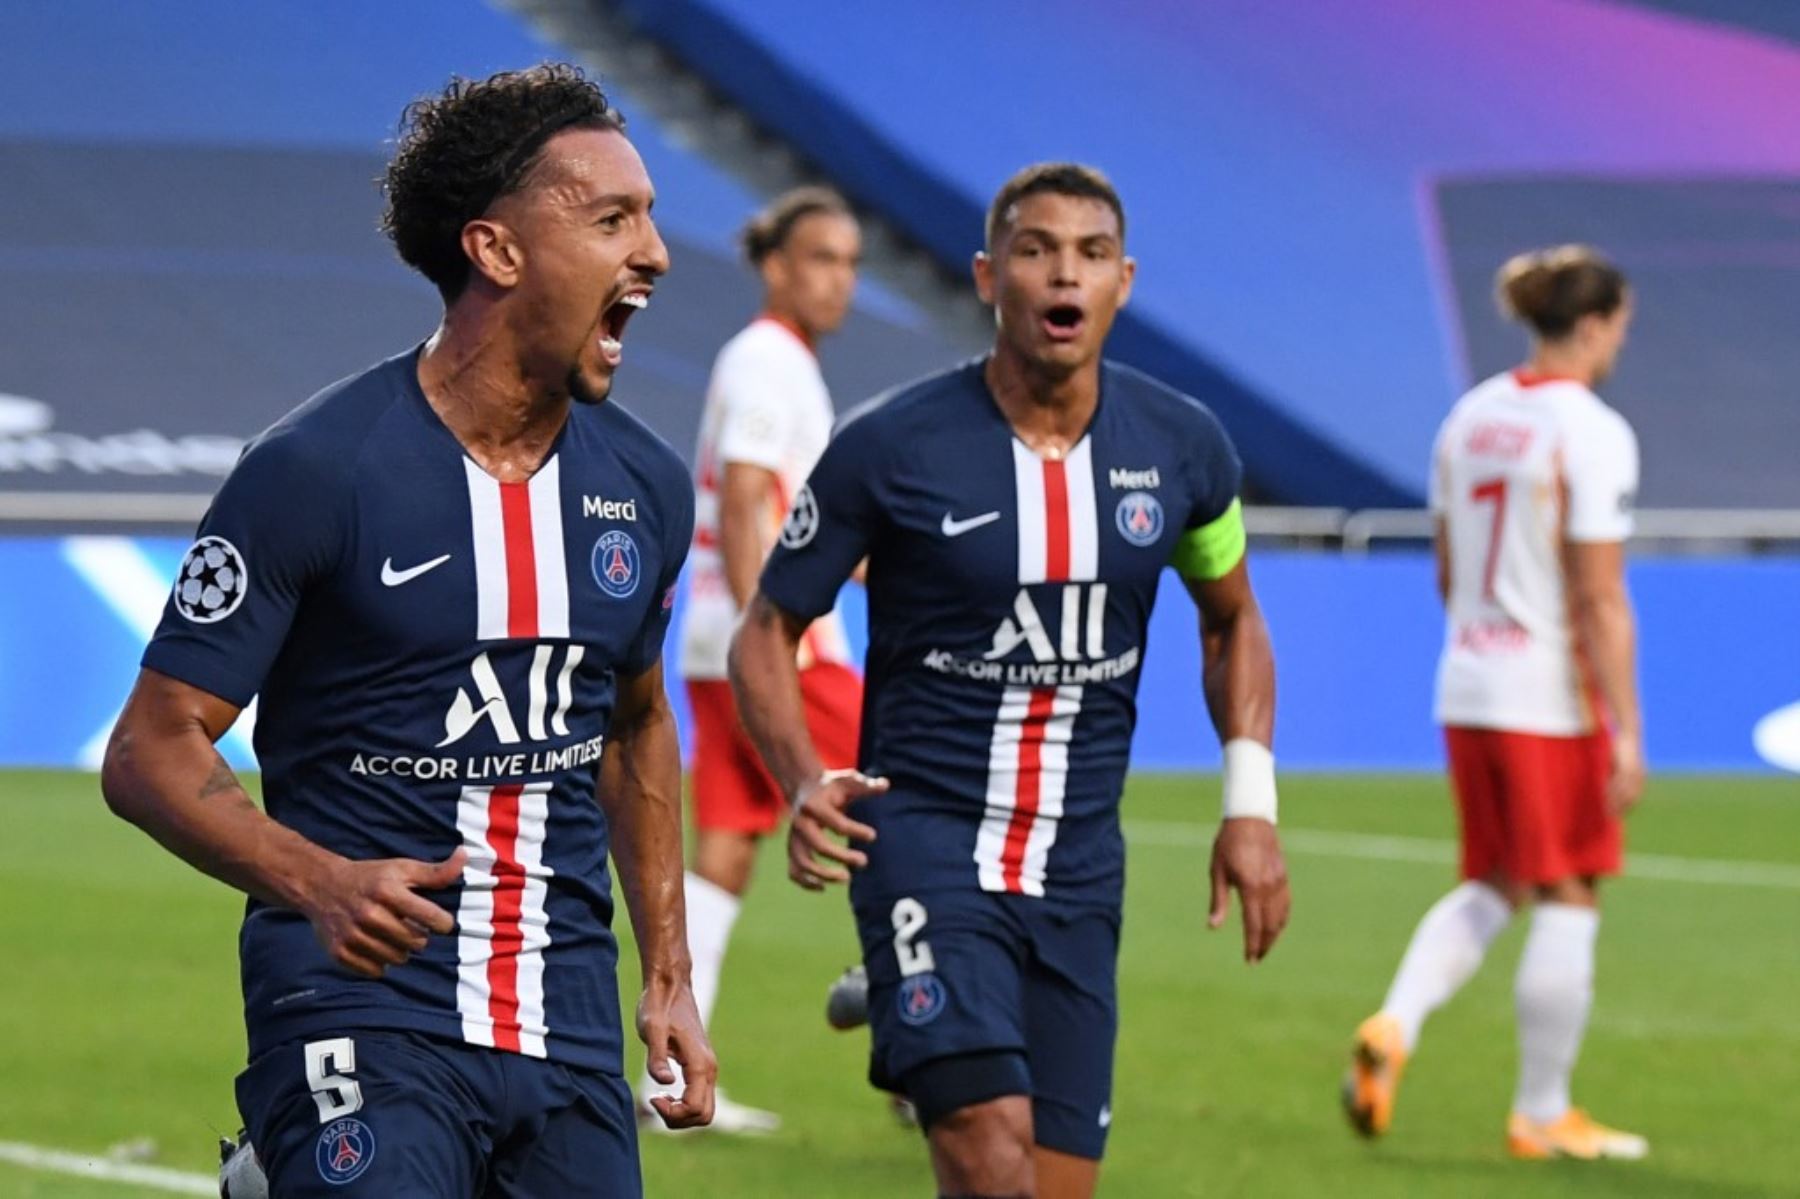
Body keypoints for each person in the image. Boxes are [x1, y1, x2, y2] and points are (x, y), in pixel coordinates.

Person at [99, 65, 715, 1198]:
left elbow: (632, 727)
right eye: (613, 219)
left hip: (565, 1016)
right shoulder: (316, 471)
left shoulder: (645, 486)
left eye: (653, 219)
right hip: (357, 1001)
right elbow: (151, 747)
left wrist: (669, 973)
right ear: (497, 249)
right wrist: (319, 878)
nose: (656, 255)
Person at [729, 162, 1291, 1199]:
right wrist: (803, 774)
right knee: (991, 1158)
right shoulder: (892, 447)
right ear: (991, 276)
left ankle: (906, 1006)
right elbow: (765, 628)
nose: (1060, 274)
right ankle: (918, 986)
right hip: (927, 837)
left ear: (1122, 280)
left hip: (1080, 866)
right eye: (1034, 250)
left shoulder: (1185, 450)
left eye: (1087, 254)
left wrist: (1249, 803)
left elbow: (1233, 618)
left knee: (1049, 1182)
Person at [1343, 244, 1647, 1161]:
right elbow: (1598, 594)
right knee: (1569, 888)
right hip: (1546, 694)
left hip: (1469, 679)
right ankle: (1543, 1110)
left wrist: (1486, 636)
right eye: (1621, 327)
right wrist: (1626, 727)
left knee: (1496, 878)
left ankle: (1395, 1023)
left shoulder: (1471, 416)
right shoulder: (1590, 430)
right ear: (1593, 326)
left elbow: (1445, 566)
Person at [642, 187, 865, 1134]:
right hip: (777, 642)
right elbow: (744, 496)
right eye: (821, 258)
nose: (839, 280)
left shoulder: (774, 362)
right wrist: (762, 630)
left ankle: (669, 1076)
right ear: (777, 265)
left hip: (713, 635)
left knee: (725, 849)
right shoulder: (771, 360)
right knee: (905, 799)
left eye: (851, 262)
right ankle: (928, 1025)